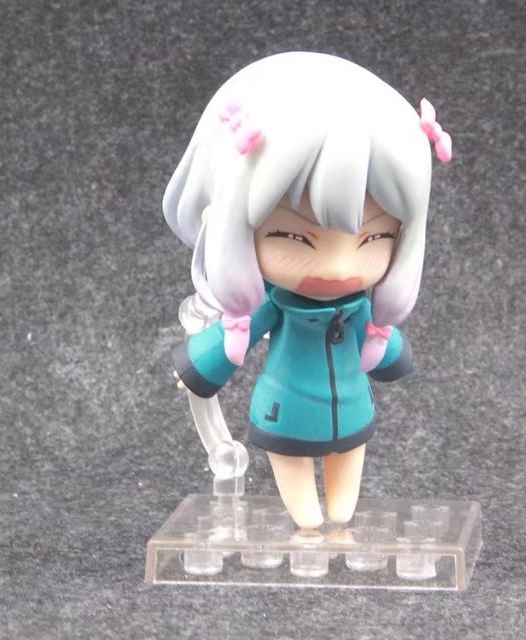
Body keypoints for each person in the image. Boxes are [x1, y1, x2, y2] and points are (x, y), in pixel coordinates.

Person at [164, 52, 451, 529]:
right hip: (286, 410)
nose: (339, 267)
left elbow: (383, 344)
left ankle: (337, 516)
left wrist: (393, 353)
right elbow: (236, 337)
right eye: (294, 237)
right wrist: (199, 367)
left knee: (344, 492)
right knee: (305, 502)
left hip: (353, 411)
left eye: (374, 238)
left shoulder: (360, 311)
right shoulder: (273, 306)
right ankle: (309, 523)